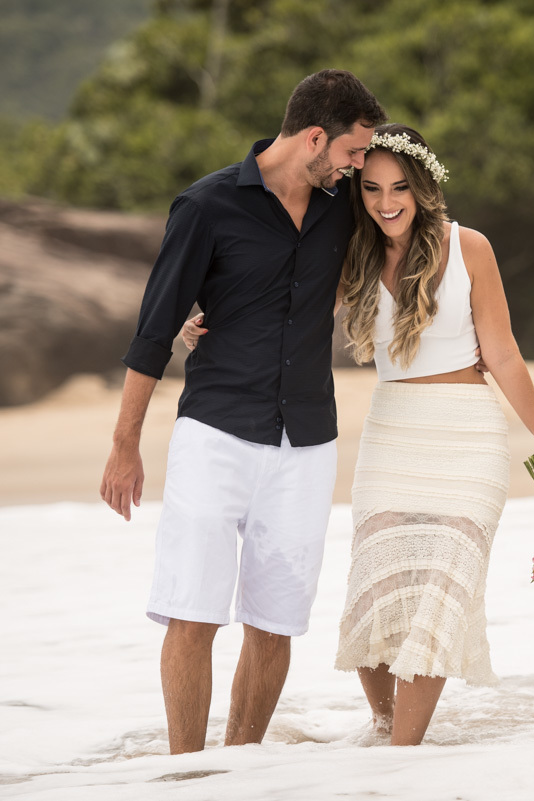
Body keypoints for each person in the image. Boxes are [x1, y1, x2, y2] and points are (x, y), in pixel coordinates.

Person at [182, 123, 534, 746]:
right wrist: (207, 322)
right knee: (378, 589)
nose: (386, 202)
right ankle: (385, 727)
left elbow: (503, 353)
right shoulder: (353, 254)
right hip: (392, 435)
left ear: (423, 187)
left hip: (467, 435)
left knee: (442, 590)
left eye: (399, 188)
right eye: (370, 188)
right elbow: (286, 305)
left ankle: (401, 756)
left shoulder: (470, 248)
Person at [99, 69, 386, 755]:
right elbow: (154, 329)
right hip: (215, 432)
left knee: (274, 621)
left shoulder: (341, 207)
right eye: (351, 152)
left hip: (308, 440)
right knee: (193, 611)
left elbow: (407, 224)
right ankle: (186, 775)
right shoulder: (206, 207)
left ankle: (241, 770)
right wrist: (124, 444)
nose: (356, 168)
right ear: (315, 137)